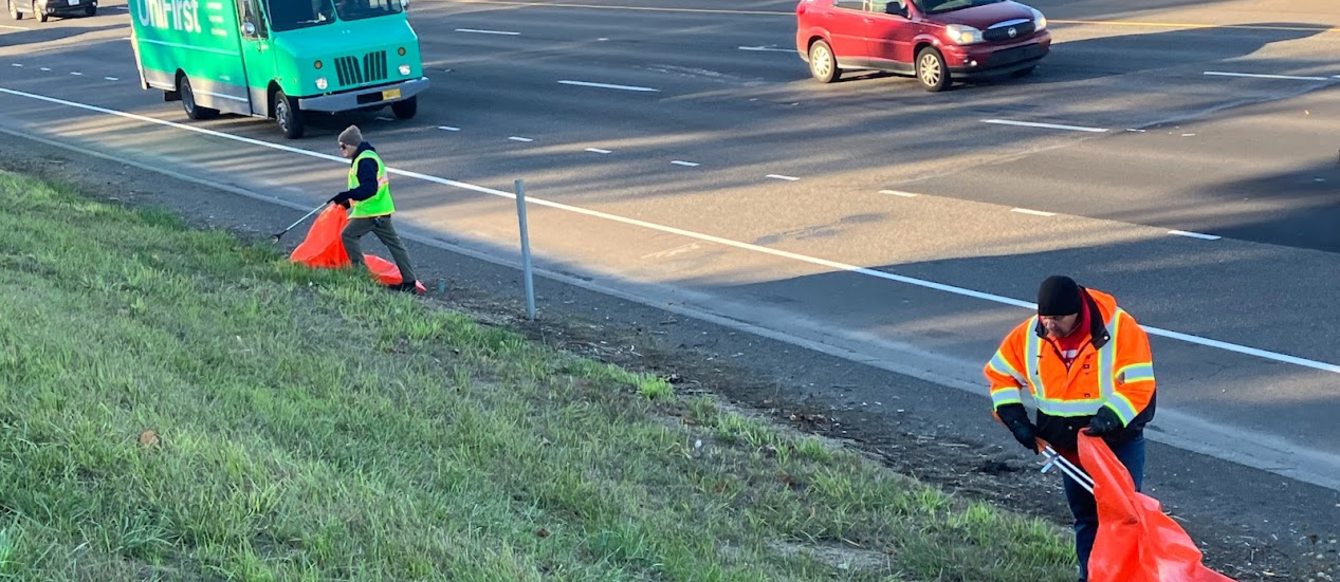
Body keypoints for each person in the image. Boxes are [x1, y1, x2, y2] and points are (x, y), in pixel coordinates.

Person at [983, 275, 1157, 581]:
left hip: (1116, 443)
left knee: (1124, 519)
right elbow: (1001, 376)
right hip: (1069, 449)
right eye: (1045, 318)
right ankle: (1089, 576)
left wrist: (1109, 419)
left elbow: (1140, 387)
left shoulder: (1120, 329)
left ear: (1077, 312)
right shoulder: (1030, 334)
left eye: (1058, 319)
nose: (1050, 326)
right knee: (1087, 519)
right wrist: (1016, 420)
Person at [327, 125, 421, 293]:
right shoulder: (367, 157)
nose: (341, 150)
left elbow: (369, 189)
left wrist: (345, 195)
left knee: (348, 235)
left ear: (352, 144)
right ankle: (409, 282)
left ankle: (361, 274)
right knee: (395, 244)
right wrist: (346, 202)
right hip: (380, 209)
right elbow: (364, 188)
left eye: (343, 146)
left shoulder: (364, 161)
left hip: (371, 212)